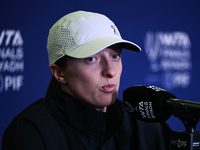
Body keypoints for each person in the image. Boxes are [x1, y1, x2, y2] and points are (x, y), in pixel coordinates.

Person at [1, 11, 172, 150]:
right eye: (91, 59)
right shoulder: (31, 130)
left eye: (115, 56)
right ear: (59, 73)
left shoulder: (145, 126)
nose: (110, 71)